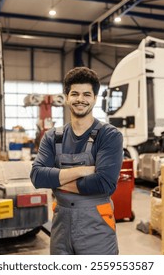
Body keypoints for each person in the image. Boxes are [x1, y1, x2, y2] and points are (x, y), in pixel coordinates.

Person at [30, 67, 123, 255]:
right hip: (60, 225)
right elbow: (37, 177)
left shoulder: (109, 135)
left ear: (95, 98)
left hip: (96, 226)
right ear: (66, 97)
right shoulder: (52, 137)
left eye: (87, 94)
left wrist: (56, 181)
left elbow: (104, 183)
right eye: (75, 94)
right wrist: (83, 171)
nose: (81, 99)